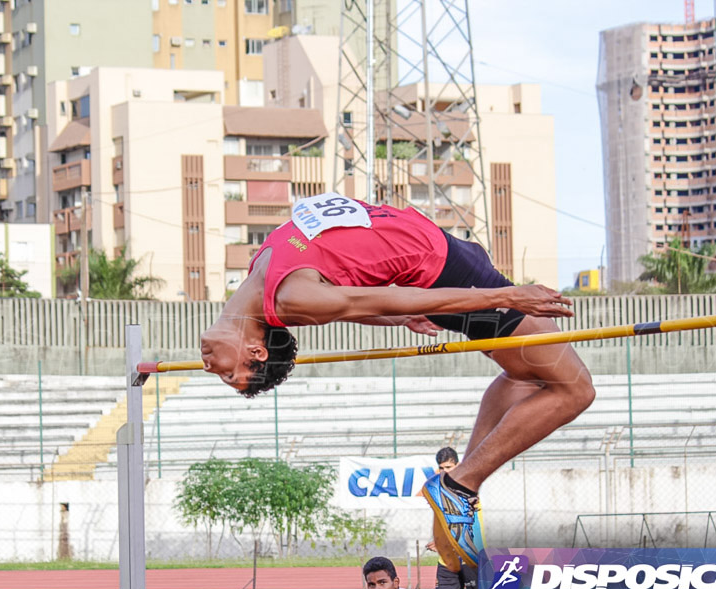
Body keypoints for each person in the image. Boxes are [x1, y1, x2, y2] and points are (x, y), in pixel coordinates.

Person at [199, 193, 595, 569]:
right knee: (575, 389)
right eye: (226, 376)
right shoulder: (282, 290)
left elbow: (342, 301)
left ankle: (458, 494)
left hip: (441, 260)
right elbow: (374, 299)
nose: (209, 369)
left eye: (228, 375)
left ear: (256, 352)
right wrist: (505, 295)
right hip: (444, 272)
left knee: (527, 376)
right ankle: (460, 486)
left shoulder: (274, 288)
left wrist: (403, 316)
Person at [428, 448, 514, 589]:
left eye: (449, 467)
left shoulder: (467, 490)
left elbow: (469, 511)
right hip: (447, 556)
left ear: (457, 466)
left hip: (470, 553)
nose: (445, 471)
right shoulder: (439, 492)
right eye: (442, 468)